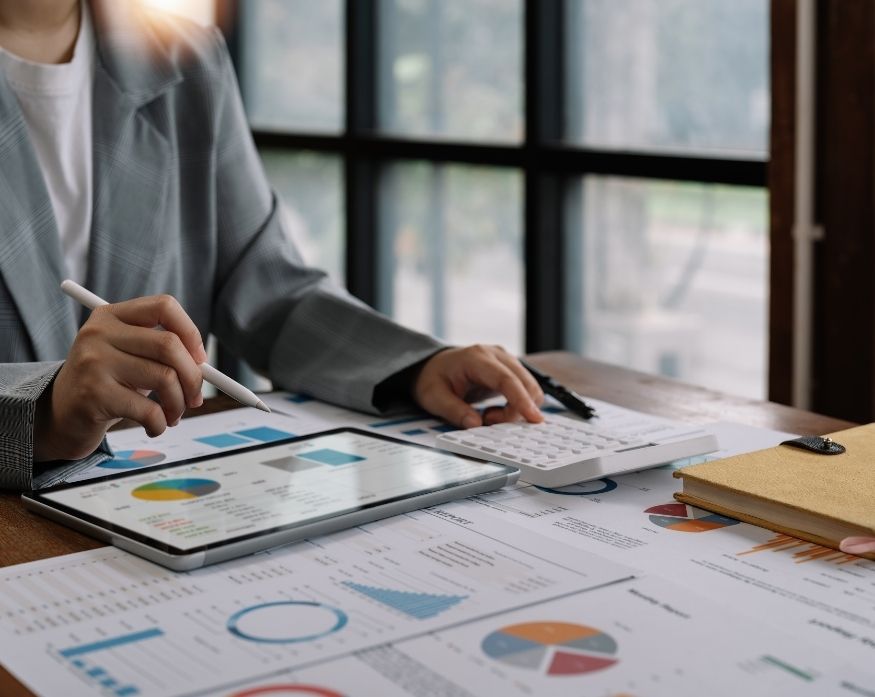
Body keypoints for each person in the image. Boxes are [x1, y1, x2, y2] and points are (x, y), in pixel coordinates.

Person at [0, 0, 544, 491]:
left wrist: (413, 367)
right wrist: (44, 414)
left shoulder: (185, 58)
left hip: (149, 505)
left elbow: (268, 290)